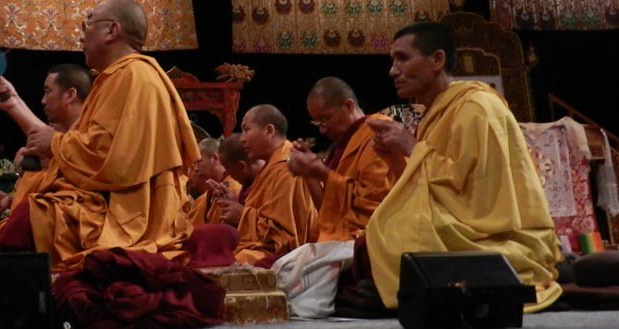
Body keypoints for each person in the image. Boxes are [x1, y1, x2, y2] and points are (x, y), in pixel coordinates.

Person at [0, 0, 200, 270]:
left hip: (128, 212)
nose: (81, 34)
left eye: (88, 23)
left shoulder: (133, 76)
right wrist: (16, 106)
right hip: (112, 200)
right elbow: (91, 150)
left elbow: (109, 159)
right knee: (32, 212)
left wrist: (56, 145)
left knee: (35, 216)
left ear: (112, 30)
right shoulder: (116, 77)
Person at [364, 22, 561, 311]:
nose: (393, 71)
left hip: (492, 233)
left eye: (403, 58)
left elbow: (477, 197)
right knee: (388, 234)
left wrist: (410, 147)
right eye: (393, 61)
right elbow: (435, 183)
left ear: (437, 60)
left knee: (394, 238)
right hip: (460, 222)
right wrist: (398, 159)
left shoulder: (477, 108)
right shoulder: (438, 112)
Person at [288, 77, 395, 243]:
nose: (322, 129)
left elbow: (373, 203)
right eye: (317, 122)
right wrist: (309, 174)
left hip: (367, 238)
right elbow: (328, 209)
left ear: (349, 106)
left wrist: (323, 173)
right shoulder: (337, 147)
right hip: (335, 239)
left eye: (326, 118)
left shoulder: (378, 131)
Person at [0, 64, 92, 223]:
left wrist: (14, 103)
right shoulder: (60, 137)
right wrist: (11, 200)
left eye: (48, 91)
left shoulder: (91, 134)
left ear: (70, 95)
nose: (43, 100)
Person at [211, 105, 317, 266]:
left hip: (283, 258)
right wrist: (237, 204)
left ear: (269, 131)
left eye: (247, 130)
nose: (242, 139)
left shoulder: (289, 168)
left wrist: (242, 215)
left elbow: (286, 238)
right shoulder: (270, 168)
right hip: (257, 249)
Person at [187, 137, 242, 226]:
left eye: (198, 162)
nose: (195, 169)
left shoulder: (234, 188)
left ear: (214, 158)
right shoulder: (204, 198)